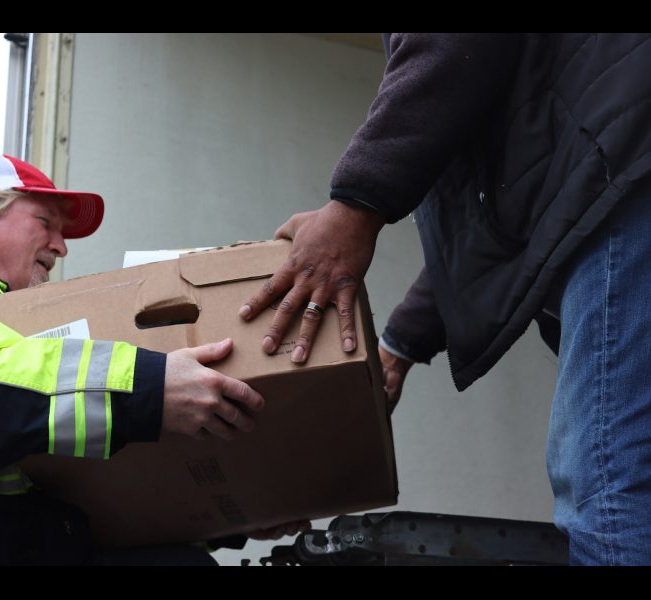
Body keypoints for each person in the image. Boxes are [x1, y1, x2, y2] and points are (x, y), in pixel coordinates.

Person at [239, 34, 651, 565]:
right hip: (619, 173)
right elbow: (485, 227)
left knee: (609, 479)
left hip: (626, 179)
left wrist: (353, 207)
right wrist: (397, 348)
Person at [0, 154, 302, 565]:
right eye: (45, 222)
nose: (62, 246)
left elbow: (81, 493)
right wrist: (148, 389)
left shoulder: (18, 333)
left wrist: (228, 524)